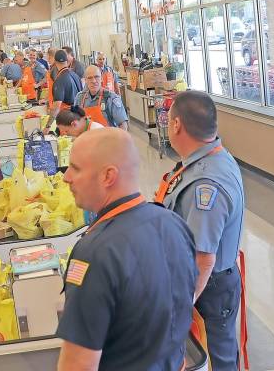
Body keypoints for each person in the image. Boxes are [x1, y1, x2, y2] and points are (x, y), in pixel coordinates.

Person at [57, 128, 197, 371]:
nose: (66, 177)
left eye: (76, 168)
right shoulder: (174, 224)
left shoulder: (95, 253)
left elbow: (79, 363)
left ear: (108, 176)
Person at [154, 91, 245, 371]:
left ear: (177, 125)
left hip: (209, 287)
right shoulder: (210, 158)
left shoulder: (205, 184)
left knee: (219, 357)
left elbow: (203, 259)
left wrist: (181, 307)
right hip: (209, 281)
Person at [74, 65, 129, 130]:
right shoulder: (79, 97)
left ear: (101, 78)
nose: (94, 81)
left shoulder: (111, 98)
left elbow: (123, 125)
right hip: (87, 138)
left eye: (96, 77)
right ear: (85, 80)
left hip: (107, 138)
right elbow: (75, 122)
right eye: (89, 78)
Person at [43, 49, 83, 134]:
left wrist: (48, 126)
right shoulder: (75, 75)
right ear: (67, 60)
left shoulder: (60, 79)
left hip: (67, 121)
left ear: (55, 61)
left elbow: (56, 106)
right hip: (79, 117)